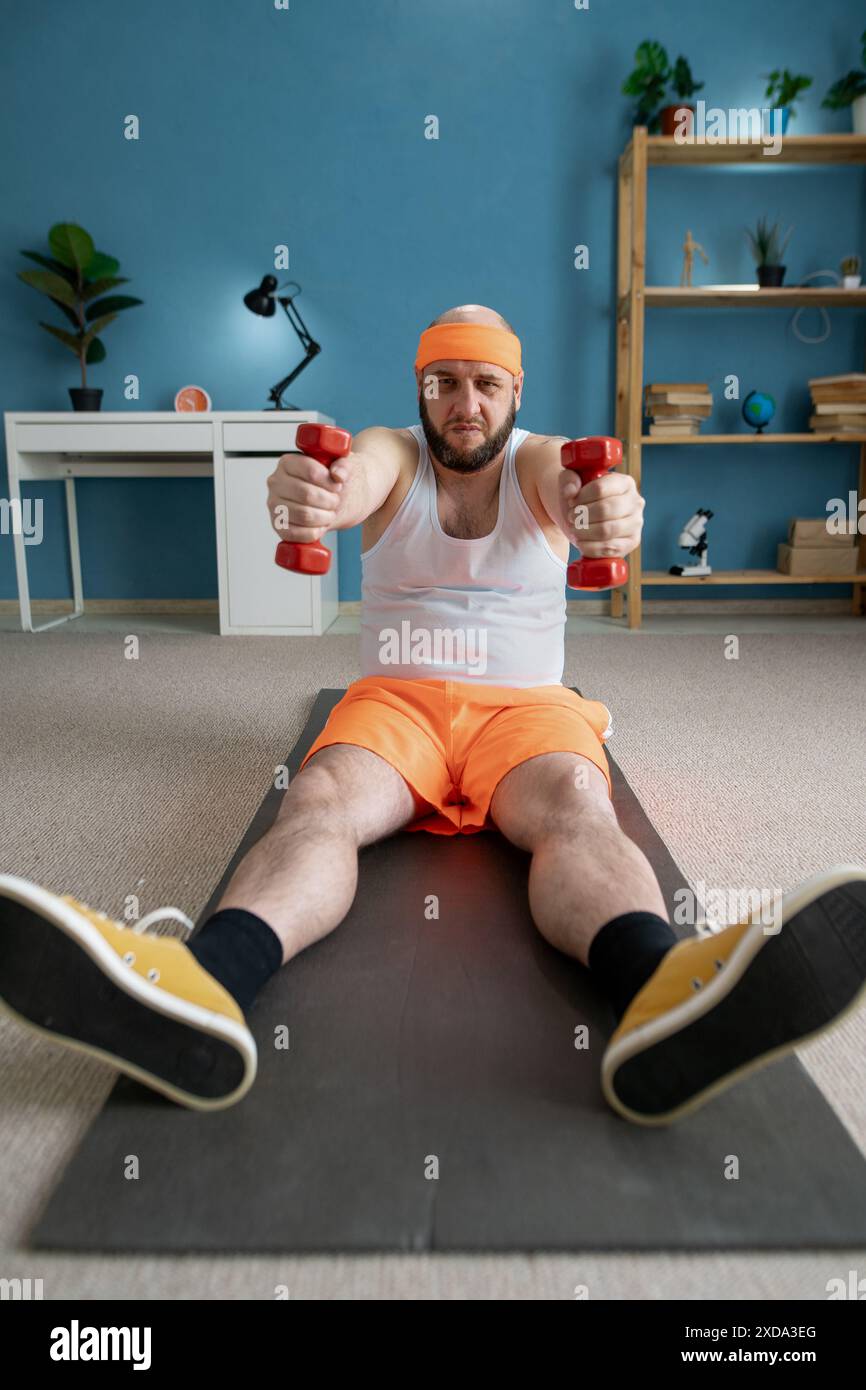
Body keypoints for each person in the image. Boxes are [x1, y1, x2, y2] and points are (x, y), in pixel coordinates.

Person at [1, 305, 864, 1127]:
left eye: (486, 383)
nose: (465, 403)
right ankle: (205, 991)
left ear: (516, 392)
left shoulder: (538, 460)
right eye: (443, 382)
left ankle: (662, 993)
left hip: (526, 712)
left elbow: (571, 482)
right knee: (320, 801)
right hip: (396, 707)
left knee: (576, 806)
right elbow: (354, 478)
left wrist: (606, 509)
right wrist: (315, 496)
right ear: (419, 388)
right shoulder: (393, 453)